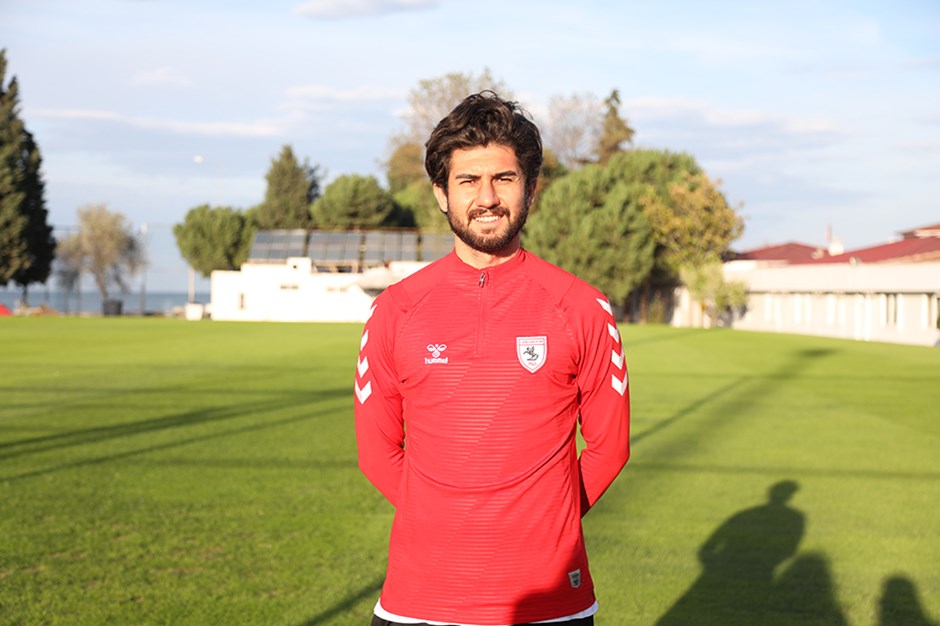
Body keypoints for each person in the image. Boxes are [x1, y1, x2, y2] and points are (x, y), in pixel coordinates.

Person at [354, 91, 631, 626]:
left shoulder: (582, 306)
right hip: (419, 602)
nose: (487, 197)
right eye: (468, 181)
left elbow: (609, 447)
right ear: (441, 193)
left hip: (550, 603)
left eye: (504, 178)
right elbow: (377, 452)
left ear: (531, 188)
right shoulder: (394, 310)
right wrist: (449, 524)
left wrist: (543, 524)